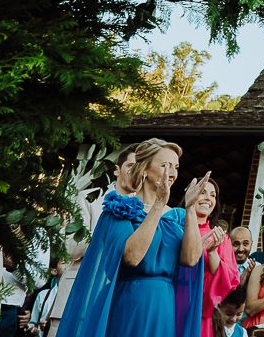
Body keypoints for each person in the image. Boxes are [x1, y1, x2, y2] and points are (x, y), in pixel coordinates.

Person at [56, 138, 210, 337]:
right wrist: (157, 206)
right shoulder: (120, 210)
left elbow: (190, 259)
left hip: (165, 305)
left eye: (175, 166)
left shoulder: (176, 216)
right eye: (165, 165)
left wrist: (190, 209)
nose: (172, 172)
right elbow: (132, 257)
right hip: (131, 301)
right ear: (144, 168)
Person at [50, 144, 137, 337]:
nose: (135, 171)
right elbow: (70, 250)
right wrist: (105, 231)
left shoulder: (143, 211)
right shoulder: (89, 200)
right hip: (80, 293)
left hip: (118, 299)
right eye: (130, 165)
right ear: (117, 170)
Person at [192, 177, 239, 337]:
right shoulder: (175, 226)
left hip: (203, 311)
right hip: (172, 302)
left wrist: (212, 252)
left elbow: (229, 279)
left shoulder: (221, 238)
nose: (208, 198)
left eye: (212, 195)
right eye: (202, 192)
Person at [26, 257, 68, 336]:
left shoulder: (80, 296)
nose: (69, 265)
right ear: (54, 271)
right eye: (64, 262)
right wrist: (36, 330)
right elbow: (32, 324)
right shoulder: (43, 295)